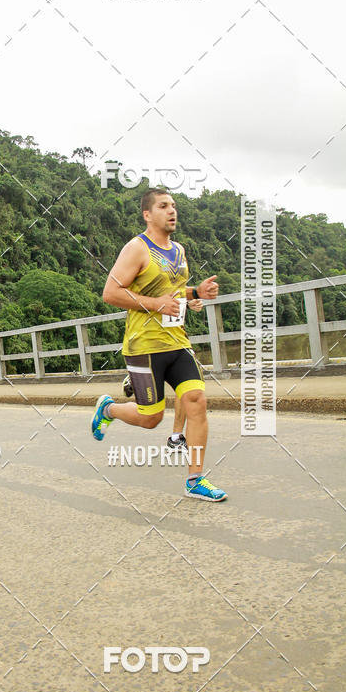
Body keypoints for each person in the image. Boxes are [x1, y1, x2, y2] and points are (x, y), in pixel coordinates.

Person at [92, 188, 226, 501]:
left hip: (176, 341)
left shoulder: (179, 251)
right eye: (163, 206)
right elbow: (110, 293)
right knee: (152, 418)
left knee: (196, 400)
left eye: (174, 206)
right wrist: (155, 304)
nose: (171, 211)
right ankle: (108, 409)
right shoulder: (136, 248)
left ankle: (195, 479)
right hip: (144, 345)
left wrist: (195, 294)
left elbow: (173, 295)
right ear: (147, 214)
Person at [122, 297, 205, 451]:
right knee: (151, 419)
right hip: (146, 342)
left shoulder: (179, 274)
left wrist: (189, 301)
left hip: (176, 340)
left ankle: (176, 437)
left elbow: (176, 292)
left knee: (189, 390)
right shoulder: (138, 274)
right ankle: (111, 406)